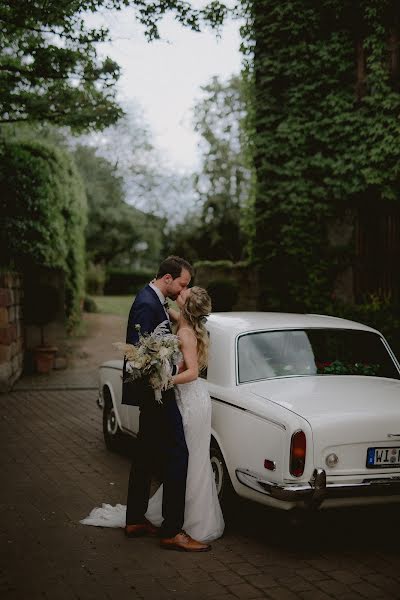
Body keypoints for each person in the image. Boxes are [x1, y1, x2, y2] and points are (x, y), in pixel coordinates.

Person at [145, 286, 224, 544]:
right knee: (188, 460)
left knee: (190, 461)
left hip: (191, 401)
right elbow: (169, 310)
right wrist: (157, 293)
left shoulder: (188, 334)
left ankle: (193, 521)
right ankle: (180, 515)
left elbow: (191, 372)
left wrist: (166, 380)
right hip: (191, 398)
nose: (180, 291)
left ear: (187, 306)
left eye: (183, 293)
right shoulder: (185, 321)